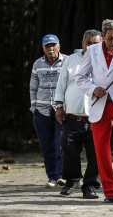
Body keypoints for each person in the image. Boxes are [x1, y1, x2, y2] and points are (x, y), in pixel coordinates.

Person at [75, 19, 113, 203]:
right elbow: (80, 77)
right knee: (101, 149)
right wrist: (93, 89)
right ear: (102, 36)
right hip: (99, 103)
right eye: (109, 38)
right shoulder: (92, 51)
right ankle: (110, 190)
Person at [55, 30, 102, 198]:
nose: (92, 46)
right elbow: (61, 85)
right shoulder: (70, 60)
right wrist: (59, 106)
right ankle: (72, 180)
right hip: (72, 115)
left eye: (95, 43)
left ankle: (90, 186)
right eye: (89, 42)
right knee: (67, 148)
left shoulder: (104, 62)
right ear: (83, 44)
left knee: (95, 153)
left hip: (95, 116)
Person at [30, 34, 67, 188]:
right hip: (42, 110)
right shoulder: (38, 64)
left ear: (59, 46)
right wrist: (34, 107)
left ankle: (61, 175)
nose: (50, 49)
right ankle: (52, 177)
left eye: (53, 45)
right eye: (47, 46)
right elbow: (33, 87)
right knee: (46, 146)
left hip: (61, 110)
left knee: (60, 143)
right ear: (43, 48)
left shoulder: (67, 61)